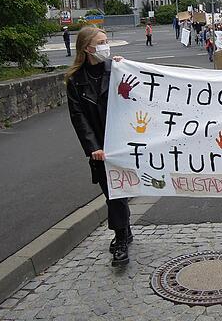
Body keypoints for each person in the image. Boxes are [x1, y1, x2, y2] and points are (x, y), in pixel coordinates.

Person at [66, 26, 132, 267]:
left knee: (118, 193)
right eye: (101, 42)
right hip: (99, 147)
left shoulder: (115, 69)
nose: (107, 45)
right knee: (111, 192)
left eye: (107, 41)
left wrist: (125, 68)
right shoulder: (75, 81)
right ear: (87, 48)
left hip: (119, 141)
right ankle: (124, 229)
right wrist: (93, 146)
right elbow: (78, 117)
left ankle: (121, 237)